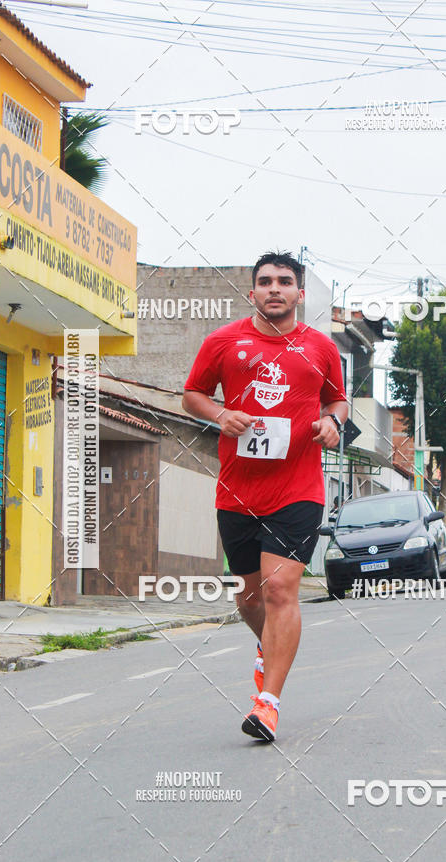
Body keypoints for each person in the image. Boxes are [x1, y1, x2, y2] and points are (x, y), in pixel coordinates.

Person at [182, 251, 348, 741]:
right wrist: (220, 414)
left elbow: (336, 399)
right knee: (250, 597)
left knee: (280, 590)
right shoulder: (222, 342)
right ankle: (269, 644)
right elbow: (191, 394)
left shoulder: (320, 347)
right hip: (237, 491)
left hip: (298, 488)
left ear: (300, 293)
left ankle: (267, 705)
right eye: (266, 281)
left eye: (285, 281)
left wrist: (332, 422)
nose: (275, 288)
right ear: (252, 292)